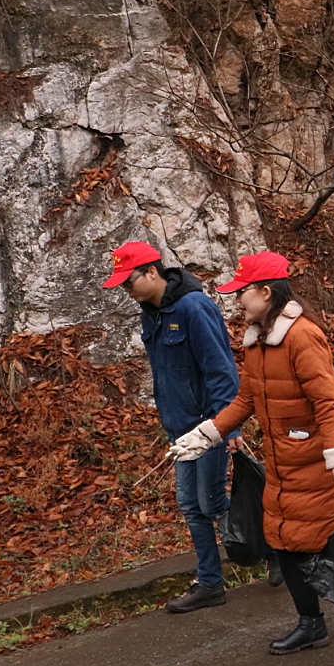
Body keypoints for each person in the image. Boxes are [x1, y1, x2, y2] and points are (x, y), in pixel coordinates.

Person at [169, 251, 334, 654]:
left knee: (322, 540)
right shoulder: (256, 341)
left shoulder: (302, 336)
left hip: (313, 464)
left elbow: (327, 402)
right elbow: (246, 400)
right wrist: (207, 434)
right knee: (285, 543)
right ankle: (312, 625)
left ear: (266, 292)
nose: (236, 300)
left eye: (242, 292)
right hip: (280, 466)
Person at [102, 241, 240, 614]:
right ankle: (212, 583)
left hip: (208, 425)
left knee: (210, 502)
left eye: (127, 283)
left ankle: (267, 548)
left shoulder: (194, 308)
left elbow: (221, 370)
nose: (125, 292)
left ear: (151, 272)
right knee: (191, 505)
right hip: (179, 428)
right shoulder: (151, 312)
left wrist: (229, 428)